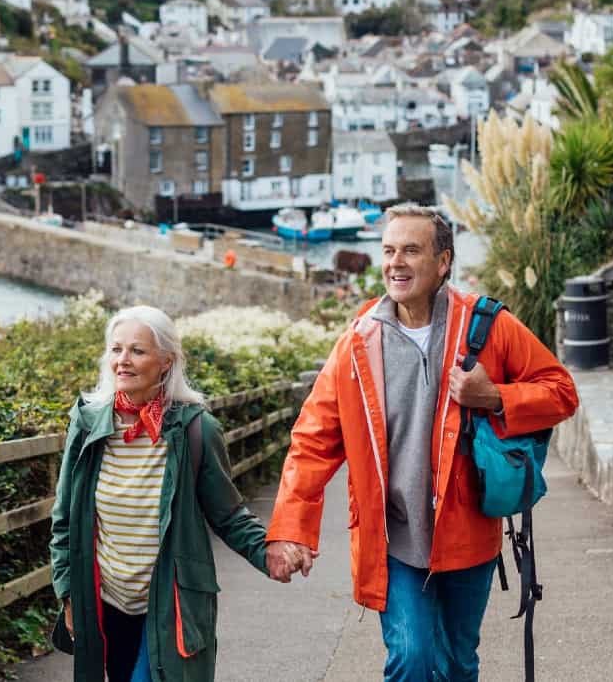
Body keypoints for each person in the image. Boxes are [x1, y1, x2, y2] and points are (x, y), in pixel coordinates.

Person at [264, 204, 578, 682]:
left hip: (469, 532)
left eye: (411, 250)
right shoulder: (359, 341)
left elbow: (560, 391)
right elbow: (313, 437)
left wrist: (494, 396)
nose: (396, 262)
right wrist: (291, 528)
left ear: (443, 261)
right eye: (389, 250)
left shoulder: (487, 326)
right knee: (412, 659)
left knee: (457, 662)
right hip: (393, 537)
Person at [50, 306, 273, 682]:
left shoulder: (196, 430)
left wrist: (272, 553)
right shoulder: (88, 424)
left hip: (170, 604)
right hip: (106, 603)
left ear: (165, 362)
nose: (123, 360)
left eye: (137, 351)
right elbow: (64, 519)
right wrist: (69, 595)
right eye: (116, 349)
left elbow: (229, 514)